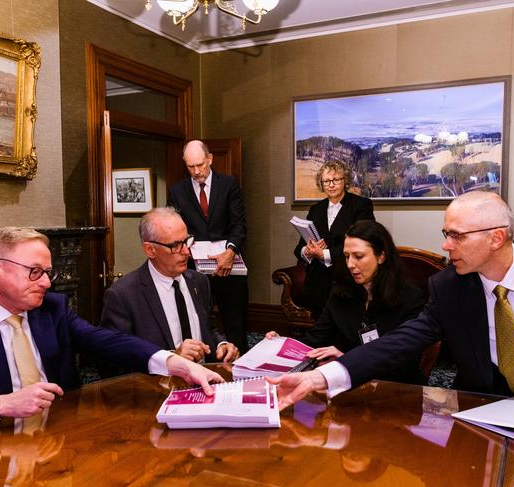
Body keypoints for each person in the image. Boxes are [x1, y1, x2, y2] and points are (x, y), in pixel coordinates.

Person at [0, 227, 223, 433]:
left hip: (59, 438)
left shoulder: (52, 309)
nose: (47, 283)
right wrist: (0, 404)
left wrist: (174, 362)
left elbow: (109, 341)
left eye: (47, 272)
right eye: (35, 272)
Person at [269, 191, 514, 408]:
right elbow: (398, 342)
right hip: (492, 404)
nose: (446, 245)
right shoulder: (449, 287)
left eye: (457, 236)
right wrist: (317, 378)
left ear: (495, 238)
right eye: (446, 234)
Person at [267, 220, 425, 384]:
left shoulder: (409, 298)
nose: (350, 264)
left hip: (395, 391)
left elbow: (405, 365)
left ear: (381, 256)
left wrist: (347, 361)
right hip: (347, 388)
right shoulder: (341, 293)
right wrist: (282, 344)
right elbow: (314, 341)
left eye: (358, 256)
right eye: (347, 256)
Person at [102, 207, 239, 363]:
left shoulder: (199, 282)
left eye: (187, 241)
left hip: (205, 381)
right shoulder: (123, 295)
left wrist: (221, 345)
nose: (186, 252)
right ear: (150, 250)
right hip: (158, 385)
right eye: (175, 246)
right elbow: (113, 361)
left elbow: (208, 329)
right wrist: (170, 358)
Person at [168, 139, 249, 352]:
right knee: (200, 319)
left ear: (210, 159)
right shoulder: (177, 191)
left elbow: (239, 225)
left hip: (229, 265)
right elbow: (175, 226)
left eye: (200, 165)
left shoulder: (229, 185)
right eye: (190, 166)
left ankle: (240, 368)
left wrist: (230, 252)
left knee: (235, 320)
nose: (196, 171)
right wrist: (188, 244)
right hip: (195, 268)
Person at [294, 160, 374, 318]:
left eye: (336, 180)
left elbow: (364, 243)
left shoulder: (361, 205)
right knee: (320, 334)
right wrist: (308, 251)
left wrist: (324, 254)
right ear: (321, 184)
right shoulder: (316, 209)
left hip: (348, 281)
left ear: (345, 181)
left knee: (347, 334)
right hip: (317, 284)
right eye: (326, 181)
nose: (331, 184)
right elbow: (299, 248)